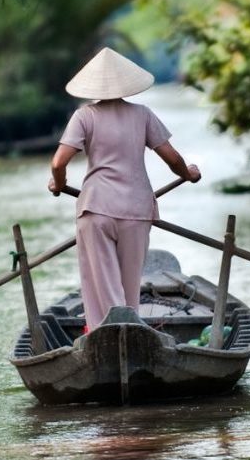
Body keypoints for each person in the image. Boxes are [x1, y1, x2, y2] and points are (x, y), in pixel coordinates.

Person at [48, 47, 201, 331]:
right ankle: (130, 331)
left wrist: (57, 184)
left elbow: (59, 163)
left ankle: (104, 333)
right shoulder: (142, 114)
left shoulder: (84, 116)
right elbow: (173, 160)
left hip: (96, 208)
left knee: (101, 284)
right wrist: (189, 174)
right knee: (129, 287)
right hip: (135, 210)